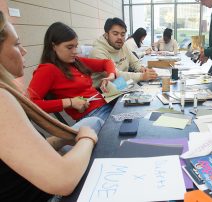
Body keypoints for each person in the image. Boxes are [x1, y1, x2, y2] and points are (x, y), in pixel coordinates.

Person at [0, 10, 97, 200]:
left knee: (93, 122)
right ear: (54, 47)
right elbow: (63, 180)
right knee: (94, 125)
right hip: (45, 195)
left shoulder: (75, 63)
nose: (24, 51)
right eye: (17, 44)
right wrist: (87, 139)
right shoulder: (4, 98)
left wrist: (59, 139)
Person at [28, 22, 116, 128]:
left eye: (76, 46)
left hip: (105, 105)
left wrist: (110, 76)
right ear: (53, 46)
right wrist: (69, 102)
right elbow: (30, 104)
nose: (75, 52)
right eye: (69, 47)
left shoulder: (75, 62)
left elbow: (106, 62)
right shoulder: (47, 69)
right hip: (93, 115)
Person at [90, 17, 157, 85]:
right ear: (106, 35)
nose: (120, 37)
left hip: (121, 85)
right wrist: (141, 76)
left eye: (122, 34)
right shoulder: (98, 52)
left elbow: (134, 62)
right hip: (103, 90)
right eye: (115, 34)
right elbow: (115, 75)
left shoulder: (123, 45)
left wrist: (141, 69)